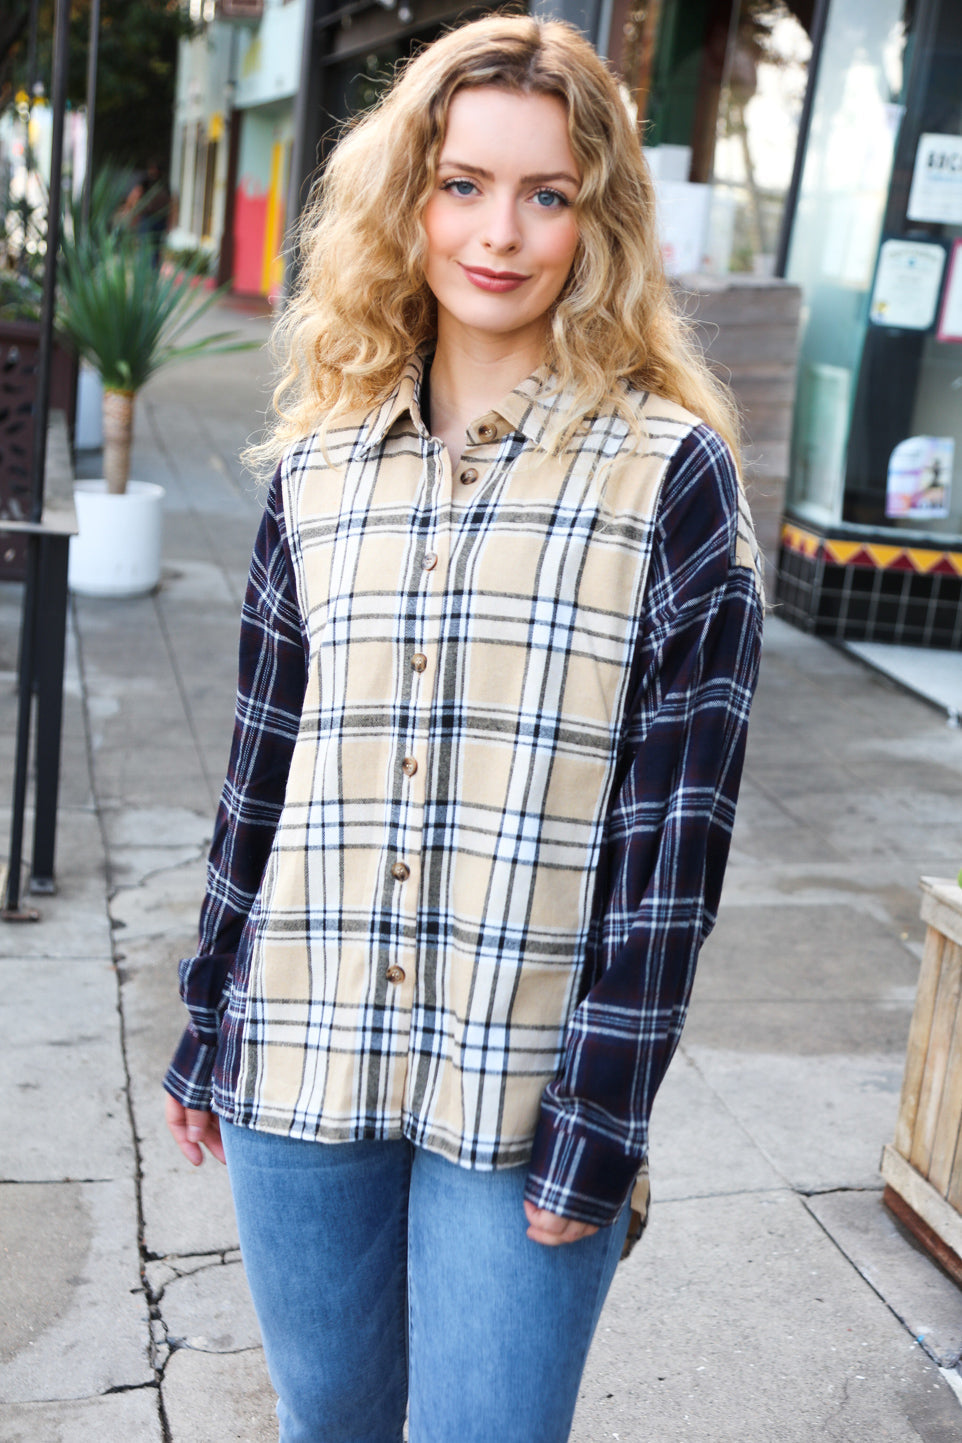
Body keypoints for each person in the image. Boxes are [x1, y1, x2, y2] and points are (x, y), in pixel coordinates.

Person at [164, 15, 764, 1442]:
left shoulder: (670, 479)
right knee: (327, 1425)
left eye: (547, 194)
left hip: (528, 1089)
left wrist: (605, 1114)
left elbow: (673, 850)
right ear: (406, 202)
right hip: (301, 1055)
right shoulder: (314, 471)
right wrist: (206, 1015)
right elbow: (260, 774)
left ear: (598, 223)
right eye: (462, 185)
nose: (500, 233)